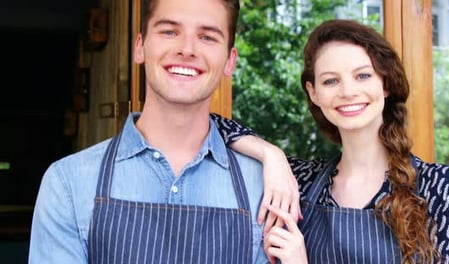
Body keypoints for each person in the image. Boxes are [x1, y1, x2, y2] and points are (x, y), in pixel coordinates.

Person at [28, 0, 299, 263]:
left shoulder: (267, 190)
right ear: (140, 47)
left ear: (230, 60)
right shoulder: (67, 183)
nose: (187, 49)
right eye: (169, 31)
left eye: (207, 37)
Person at [228, 19, 449, 263]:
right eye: (331, 80)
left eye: (362, 75)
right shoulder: (301, 181)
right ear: (313, 92)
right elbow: (217, 126)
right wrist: (272, 155)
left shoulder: (438, 185)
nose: (348, 91)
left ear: (385, 83)